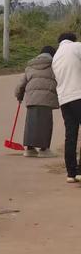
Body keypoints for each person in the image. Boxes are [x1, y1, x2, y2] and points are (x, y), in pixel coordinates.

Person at [15, 46, 59, 158]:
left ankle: (30, 149)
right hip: (46, 98)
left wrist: (19, 96)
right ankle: (44, 150)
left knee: (31, 123)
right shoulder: (54, 65)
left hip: (32, 99)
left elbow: (21, 84)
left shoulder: (30, 66)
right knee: (45, 124)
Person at [52, 32, 81, 183]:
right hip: (78, 95)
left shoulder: (56, 56)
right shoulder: (76, 47)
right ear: (73, 39)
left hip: (64, 100)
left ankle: (71, 173)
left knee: (71, 135)